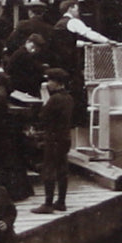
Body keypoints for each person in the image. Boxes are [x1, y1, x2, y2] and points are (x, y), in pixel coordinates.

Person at [33, 68, 75, 213]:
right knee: (62, 169)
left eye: (50, 80)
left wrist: (45, 97)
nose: (48, 83)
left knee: (49, 169)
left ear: (56, 82)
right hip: (65, 137)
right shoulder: (68, 98)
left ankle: (48, 203)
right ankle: (61, 201)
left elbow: (42, 116)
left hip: (53, 138)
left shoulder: (55, 99)